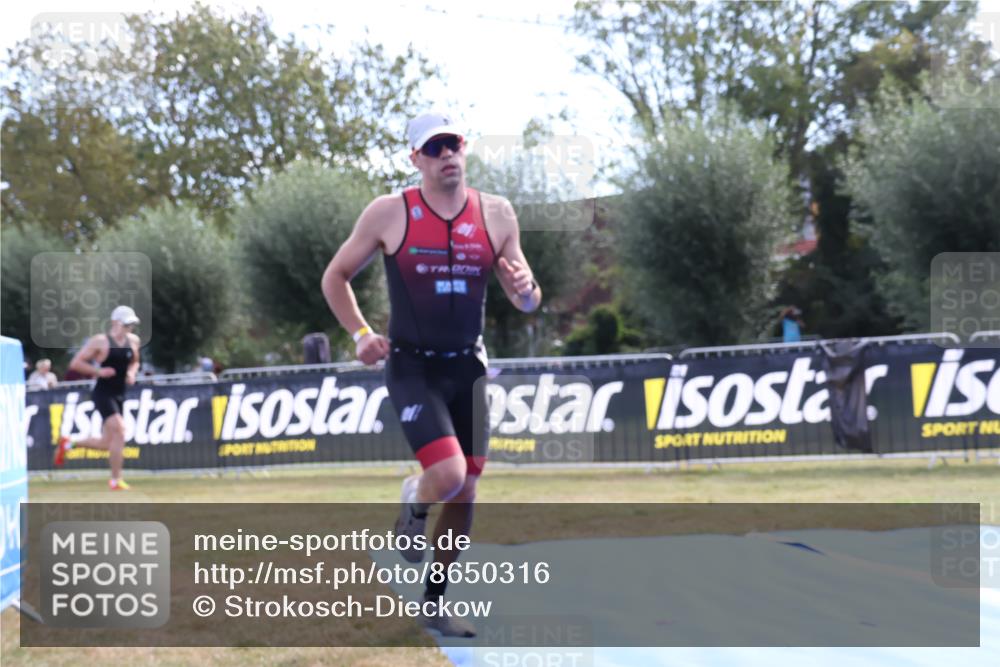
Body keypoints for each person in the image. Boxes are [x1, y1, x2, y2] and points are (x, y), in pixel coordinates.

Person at [321, 111, 541, 637]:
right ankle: (415, 498)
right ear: (416, 158)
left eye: (453, 145)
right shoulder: (389, 212)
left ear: (464, 149)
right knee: (448, 475)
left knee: (466, 492)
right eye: (434, 148)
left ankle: (434, 602)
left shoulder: (497, 213)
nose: (447, 155)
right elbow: (335, 276)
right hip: (413, 365)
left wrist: (526, 290)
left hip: (468, 366)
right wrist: (360, 334)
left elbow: (528, 300)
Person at [53, 305, 141, 490]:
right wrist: (98, 371)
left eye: (131, 325)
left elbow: (135, 362)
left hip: (120, 393)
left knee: (106, 443)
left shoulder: (133, 341)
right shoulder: (100, 341)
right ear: (115, 322)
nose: (129, 328)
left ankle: (69, 443)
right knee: (120, 430)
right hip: (103, 393)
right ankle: (116, 480)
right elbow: (75, 363)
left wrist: (132, 373)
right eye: (126, 325)